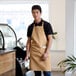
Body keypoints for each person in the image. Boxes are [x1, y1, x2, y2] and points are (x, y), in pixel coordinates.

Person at [25, 5, 53, 76]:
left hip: (44, 52)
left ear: (40, 13)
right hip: (34, 54)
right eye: (33, 12)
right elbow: (28, 42)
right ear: (32, 13)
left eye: (37, 12)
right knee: (37, 74)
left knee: (47, 73)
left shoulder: (47, 25)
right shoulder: (30, 27)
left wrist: (46, 53)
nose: (35, 14)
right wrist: (27, 54)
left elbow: (50, 39)